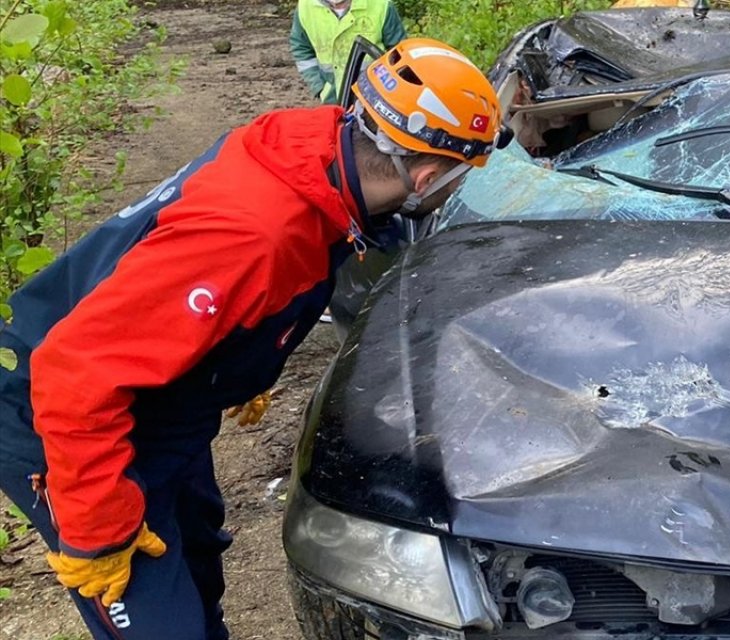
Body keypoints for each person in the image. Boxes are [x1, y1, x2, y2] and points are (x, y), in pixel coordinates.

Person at [0, 38, 502, 640]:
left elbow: (279, 270)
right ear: (425, 174)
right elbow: (74, 371)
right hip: (62, 414)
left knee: (197, 554)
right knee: (159, 617)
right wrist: (96, 532)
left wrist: (240, 360)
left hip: (157, 398)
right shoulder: (250, 236)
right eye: (458, 175)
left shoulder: (312, 150)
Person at [291, 0, 408, 104]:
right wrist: (319, 87)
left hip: (375, 98)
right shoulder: (305, 7)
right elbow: (302, 50)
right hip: (332, 98)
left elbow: (401, 55)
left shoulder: (381, 5)